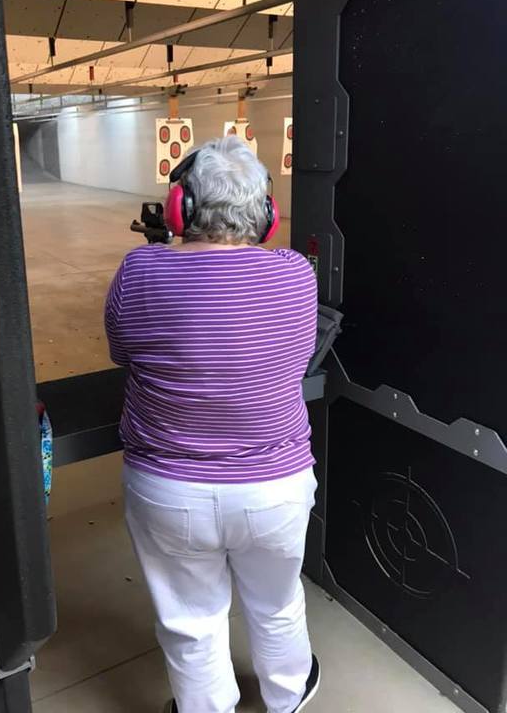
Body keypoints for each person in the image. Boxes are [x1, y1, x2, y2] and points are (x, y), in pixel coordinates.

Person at [105, 136, 320, 713]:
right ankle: (287, 697)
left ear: (180, 209)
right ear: (267, 215)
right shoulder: (296, 274)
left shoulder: (140, 271)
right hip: (275, 490)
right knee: (277, 604)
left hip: (168, 491)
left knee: (191, 622)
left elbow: (122, 353)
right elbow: (294, 357)